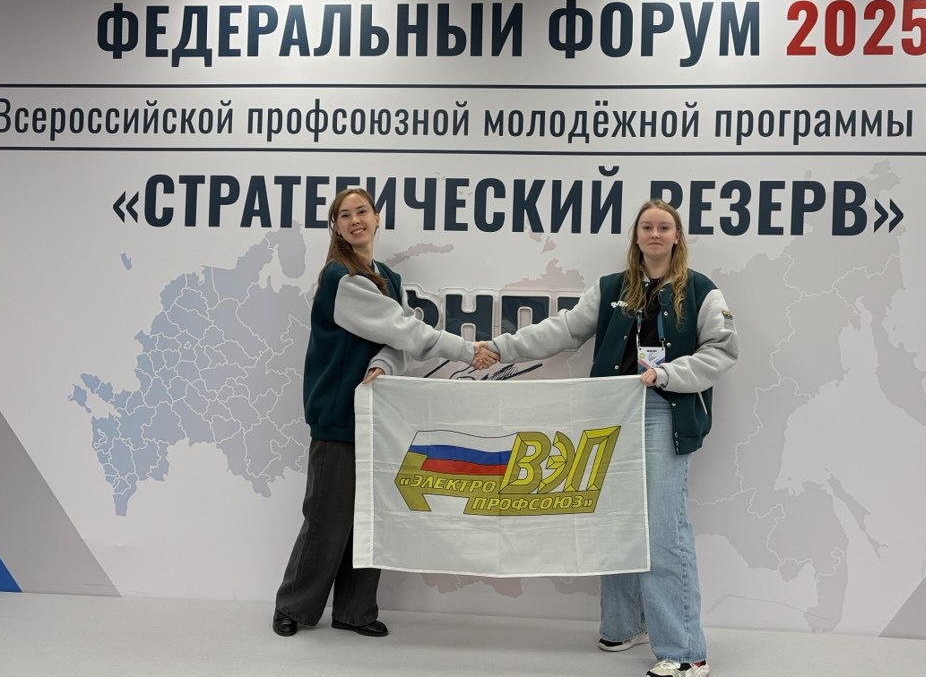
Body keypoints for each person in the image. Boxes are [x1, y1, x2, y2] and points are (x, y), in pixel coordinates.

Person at [477, 200, 737, 677]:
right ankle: (625, 625)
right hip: (612, 414)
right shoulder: (611, 289)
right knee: (616, 522)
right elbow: (561, 331)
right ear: (636, 236)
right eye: (647, 226)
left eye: (664, 227)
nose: (655, 234)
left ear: (677, 237)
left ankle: (685, 652)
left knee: (662, 528)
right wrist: (499, 347)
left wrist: (666, 374)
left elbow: (722, 350)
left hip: (664, 412)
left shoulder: (701, 290)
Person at [272, 187, 494, 639]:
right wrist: (467, 350)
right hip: (338, 415)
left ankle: (354, 611)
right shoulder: (341, 278)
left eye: (362, 212)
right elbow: (405, 330)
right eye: (345, 215)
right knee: (327, 519)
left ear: (377, 219)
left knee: (369, 519)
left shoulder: (388, 277)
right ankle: (294, 606)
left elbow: (398, 342)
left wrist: (382, 364)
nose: (355, 220)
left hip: (376, 416)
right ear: (335, 227)